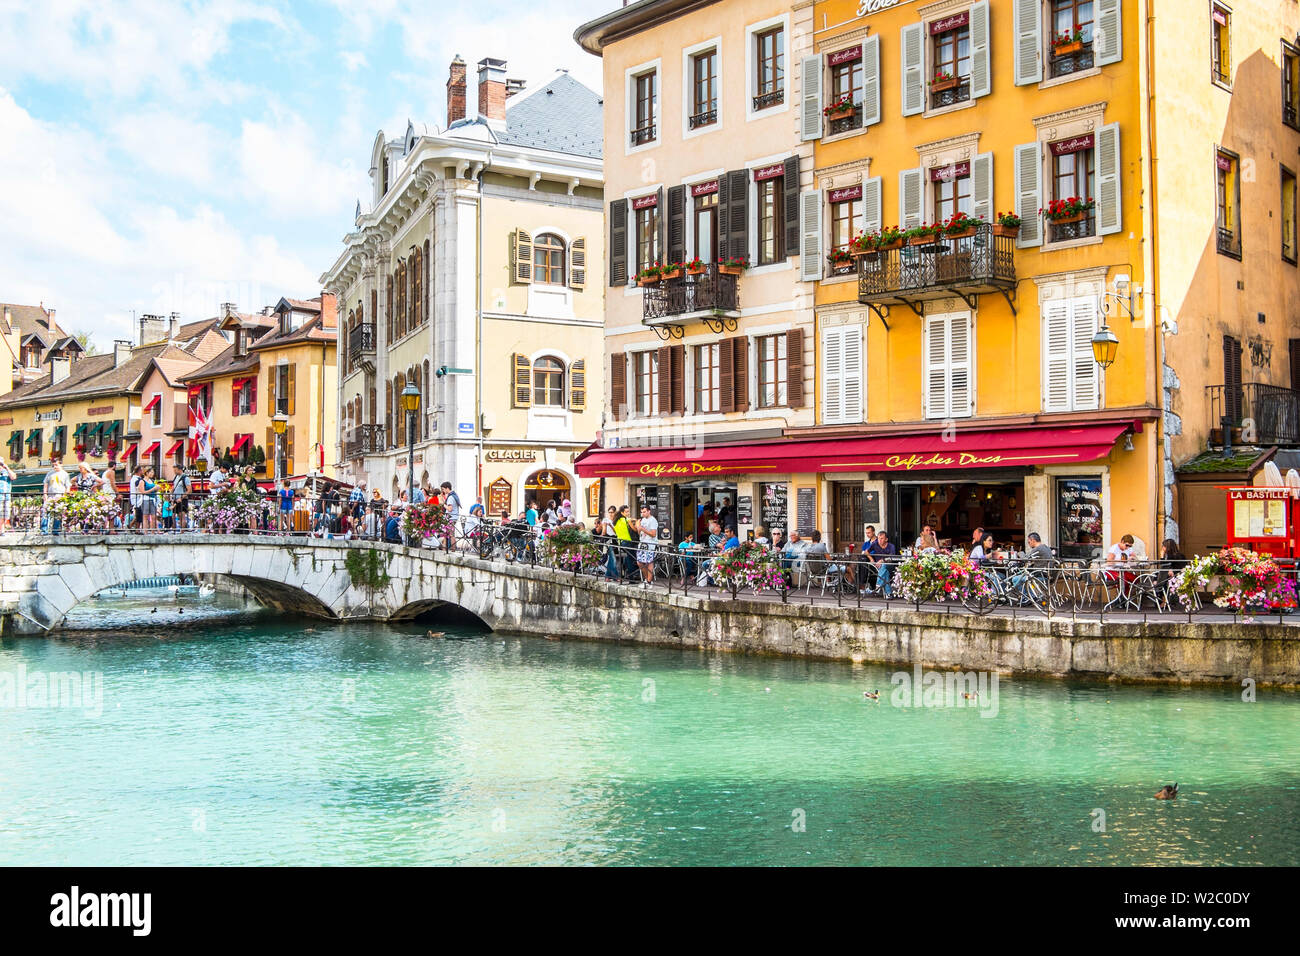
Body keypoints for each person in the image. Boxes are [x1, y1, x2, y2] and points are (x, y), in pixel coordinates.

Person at [633, 504, 658, 588]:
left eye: (644, 512)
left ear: (648, 511)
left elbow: (653, 534)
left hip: (650, 543)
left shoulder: (653, 520)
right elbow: (639, 532)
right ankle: (646, 579)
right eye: (641, 512)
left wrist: (642, 529)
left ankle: (649, 581)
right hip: (642, 542)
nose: (642, 514)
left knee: (649, 562)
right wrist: (637, 526)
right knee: (639, 562)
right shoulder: (643, 520)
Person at [44, 458, 70, 534]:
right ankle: (44, 530)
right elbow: (45, 484)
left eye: (56, 465)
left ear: (61, 465)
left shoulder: (65, 474)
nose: (55, 467)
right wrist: (45, 494)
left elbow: (67, 486)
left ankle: (55, 530)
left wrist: (65, 495)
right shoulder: (49, 473)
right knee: (46, 512)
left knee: (58, 513)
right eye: (54, 465)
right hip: (50, 495)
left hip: (60, 495)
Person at [868, 531, 897, 597]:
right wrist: (871, 559)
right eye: (878, 538)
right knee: (885, 571)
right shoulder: (875, 544)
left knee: (884, 566)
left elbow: (892, 557)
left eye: (881, 538)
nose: (879, 540)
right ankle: (888, 593)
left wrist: (882, 560)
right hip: (878, 567)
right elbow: (866, 551)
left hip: (890, 566)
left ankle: (878, 586)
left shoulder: (891, 546)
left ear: (886, 539)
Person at [170, 466, 190, 532]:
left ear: (180, 470)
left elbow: (189, 490)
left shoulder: (185, 478)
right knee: (172, 515)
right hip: (175, 499)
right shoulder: (176, 477)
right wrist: (171, 494)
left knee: (182, 515)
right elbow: (173, 487)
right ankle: (174, 530)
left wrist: (181, 497)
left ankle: (182, 531)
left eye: (175, 470)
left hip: (182, 499)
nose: (174, 472)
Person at [140, 466, 160, 533]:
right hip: (146, 499)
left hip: (152, 499)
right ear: (147, 473)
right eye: (151, 472)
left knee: (154, 516)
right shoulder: (142, 481)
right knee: (145, 516)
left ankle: (153, 531)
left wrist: (156, 489)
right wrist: (152, 489)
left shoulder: (152, 481)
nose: (153, 473)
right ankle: (145, 531)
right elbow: (142, 492)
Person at [0, 459, 14, 533]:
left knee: (5, 514)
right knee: (0, 513)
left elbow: (13, 477)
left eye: (1, 464)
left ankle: (2, 530)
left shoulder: (6, 472)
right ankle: (1, 531)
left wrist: (7, 468)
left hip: (6, 496)